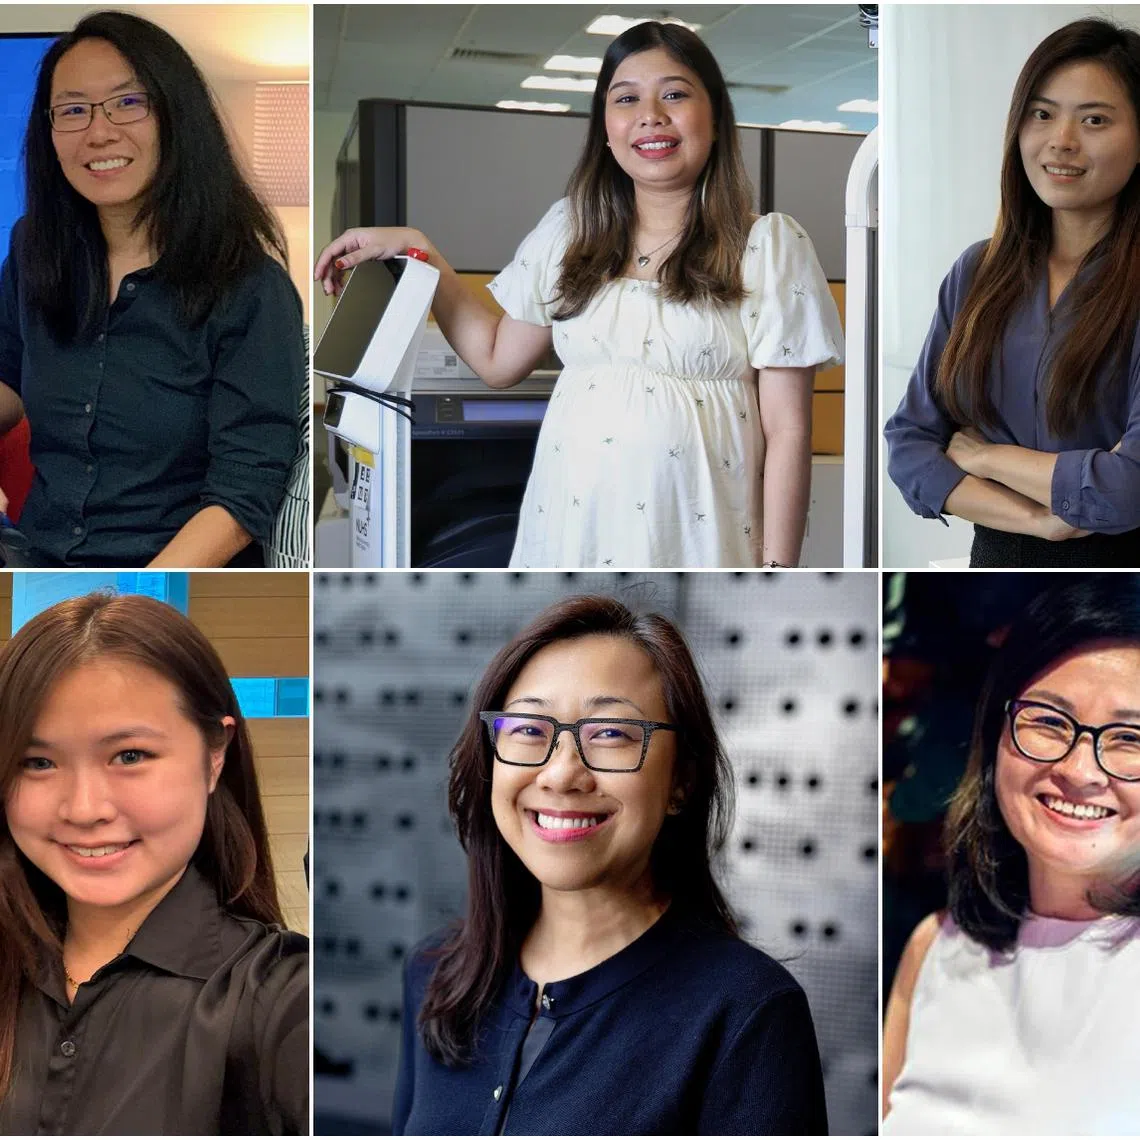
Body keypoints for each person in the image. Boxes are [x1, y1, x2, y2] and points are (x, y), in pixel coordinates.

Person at [315, 22, 842, 570]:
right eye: (626, 98)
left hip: (699, 532)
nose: (650, 115)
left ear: (715, 118)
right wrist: (420, 252)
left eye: (675, 94)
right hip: (572, 524)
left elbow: (787, 431)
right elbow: (496, 360)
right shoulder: (572, 230)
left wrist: (779, 574)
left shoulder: (768, 246)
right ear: (606, 129)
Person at [392, 594, 827, 1135]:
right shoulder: (435, 974)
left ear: (682, 781)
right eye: (529, 730)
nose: (560, 774)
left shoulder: (745, 1010)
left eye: (611, 734)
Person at [0, 11, 305, 568]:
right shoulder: (33, 248)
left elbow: (244, 491)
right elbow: (9, 376)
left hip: (173, 573)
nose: (98, 131)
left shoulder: (250, 287)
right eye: (72, 110)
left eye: (127, 102)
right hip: (38, 556)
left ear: (176, 116)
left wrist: (138, 594)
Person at [0, 592, 309, 1135]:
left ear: (215, 756)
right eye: (38, 762)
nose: (85, 809)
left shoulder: (281, 998)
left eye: (130, 756)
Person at [882, 575, 1140, 1134]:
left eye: (1131, 739)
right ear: (994, 733)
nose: (1078, 770)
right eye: (1048, 722)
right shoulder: (934, 944)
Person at [885, 18, 1140, 568]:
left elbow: (1129, 488)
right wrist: (1038, 520)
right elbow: (909, 445)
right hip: (996, 569)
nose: (1061, 141)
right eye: (1042, 114)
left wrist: (987, 456)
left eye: (1094, 120)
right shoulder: (978, 271)